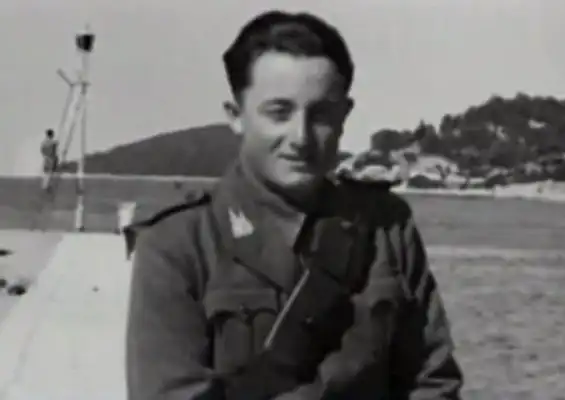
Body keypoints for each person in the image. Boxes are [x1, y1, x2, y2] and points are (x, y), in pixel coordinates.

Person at [125, 10, 463, 400]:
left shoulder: (386, 227)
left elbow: (433, 382)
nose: (300, 137)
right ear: (236, 116)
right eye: (279, 113)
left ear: (344, 116)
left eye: (320, 115)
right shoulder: (178, 245)